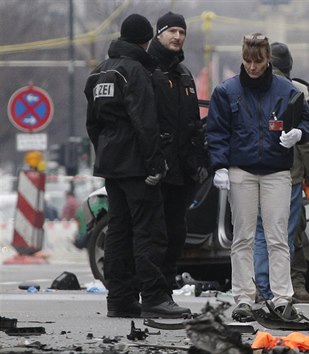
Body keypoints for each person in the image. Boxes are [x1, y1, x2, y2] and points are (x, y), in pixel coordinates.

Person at [84, 13, 190, 319]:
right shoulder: (136, 72)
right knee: (150, 231)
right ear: (146, 39)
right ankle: (156, 298)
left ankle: (119, 298)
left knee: (119, 230)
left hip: (110, 164)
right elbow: (145, 123)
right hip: (137, 165)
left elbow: (93, 125)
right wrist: (155, 164)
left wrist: (104, 153)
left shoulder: (99, 73)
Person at [207, 33, 309, 322]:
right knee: (243, 236)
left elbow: (307, 120)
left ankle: (282, 297)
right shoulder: (227, 91)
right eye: (247, 61)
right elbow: (216, 131)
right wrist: (219, 165)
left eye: (258, 61)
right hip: (241, 170)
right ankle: (243, 296)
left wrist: (299, 133)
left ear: (268, 60)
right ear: (242, 59)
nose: (252, 67)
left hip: (277, 171)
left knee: (277, 236)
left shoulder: (287, 89)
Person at [253, 42, 309, 304]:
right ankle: (284, 289)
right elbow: (307, 140)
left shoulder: (250, 84)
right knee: (287, 235)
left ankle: (262, 288)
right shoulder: (298, 89)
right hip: (289, 175)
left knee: (259, 232)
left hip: (256, 171)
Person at [148, 11, 210, 290]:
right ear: (158, 34)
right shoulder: (147, 69)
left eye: (182, 32)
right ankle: (151, 289)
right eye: (172, 31)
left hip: (182, 170)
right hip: (156, 168)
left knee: (177, 233)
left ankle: (166, 286)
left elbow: (192, 124)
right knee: (154, 234)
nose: (177, 37)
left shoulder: (184, 74)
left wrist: (198, 161)